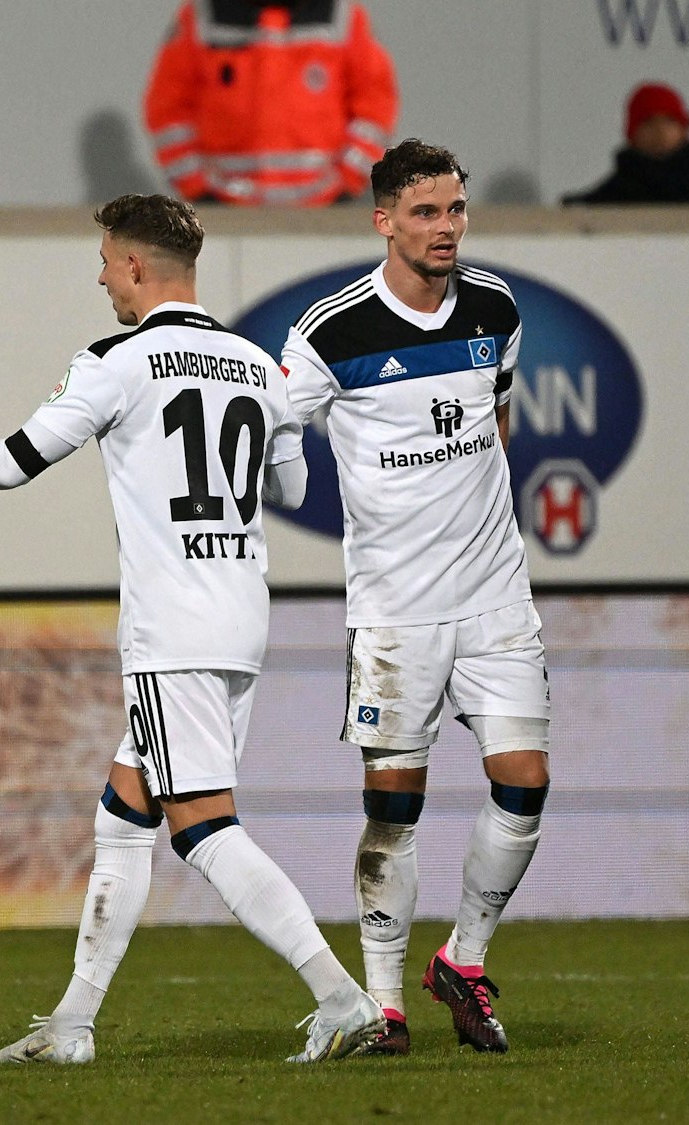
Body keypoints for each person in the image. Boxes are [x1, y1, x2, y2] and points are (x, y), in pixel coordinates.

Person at [0, 193, 384, 1064]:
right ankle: (71, 1024)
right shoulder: (257, 364)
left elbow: (13, 463)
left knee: (204, 828)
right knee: (123, 813)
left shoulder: (117, 360)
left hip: (172, 627)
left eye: (107, 262)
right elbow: (294, 491)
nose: (102, 277)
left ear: (138, 266)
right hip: (240, 616)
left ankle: (341, 998)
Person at [279, 139, 551, 1055]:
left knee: (525, 782)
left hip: (495, 597)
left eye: (456, 209)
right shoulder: (331, 331)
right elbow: (272, 429)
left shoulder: (496, 308)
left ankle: (463, 959)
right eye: (426, 212)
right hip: (395, 614)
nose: (446, 227)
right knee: (393, 806)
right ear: (384, 221)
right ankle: (384, 1004)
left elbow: (496, 419)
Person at [143, 1, 398, 207]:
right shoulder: (202, 15)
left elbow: (375, 105)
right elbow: (168, 110)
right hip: (224, 214)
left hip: (323, 213)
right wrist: (197, 188)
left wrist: (346, 183)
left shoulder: (343, 16)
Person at [560, 82, 689, 204]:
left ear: (683, 131)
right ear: (632, 134)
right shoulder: (616, 193)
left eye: (669, 121)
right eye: (648, 122)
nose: (660, 130)